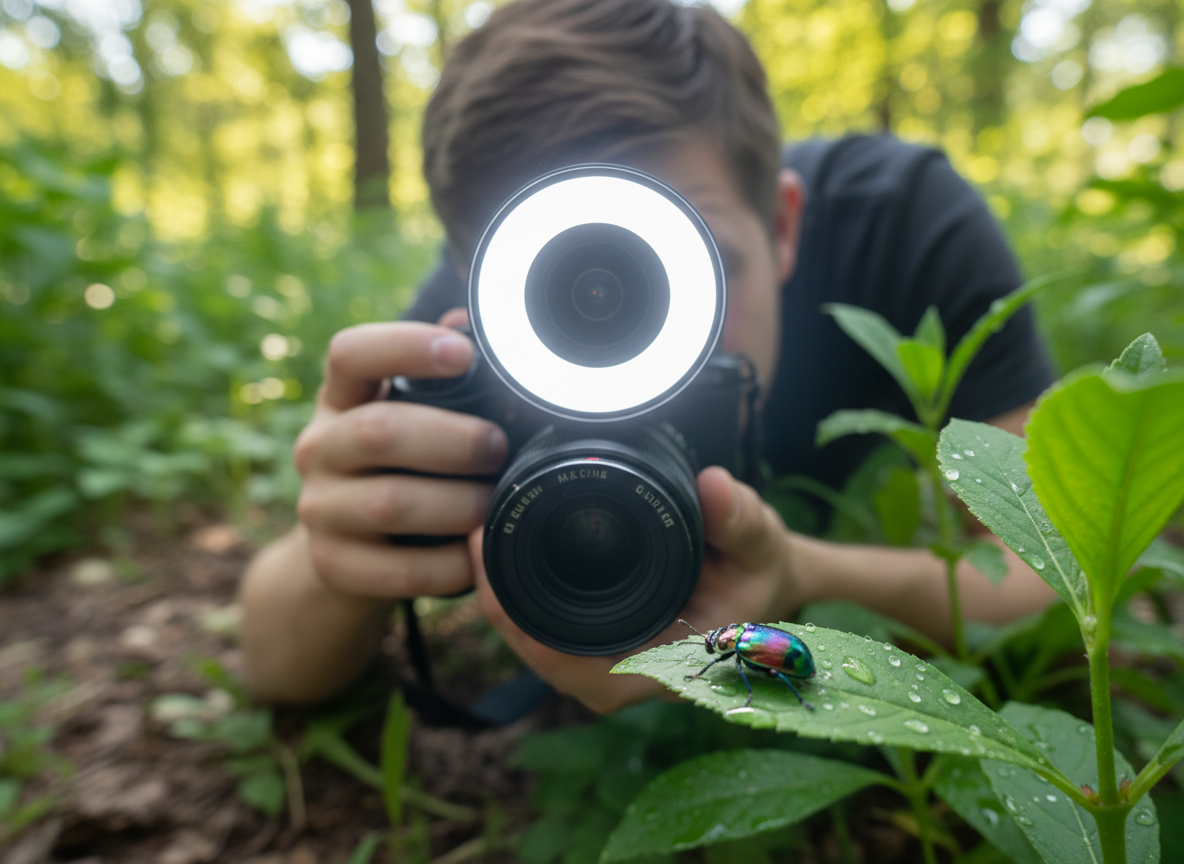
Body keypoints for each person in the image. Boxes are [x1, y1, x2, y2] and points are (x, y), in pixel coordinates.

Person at [239, 0, 1059, 712]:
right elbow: (277, 664)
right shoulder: (455, 343)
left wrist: (799, 576)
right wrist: (348, 541)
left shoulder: (899, 221)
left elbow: (1055, 580)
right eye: (553, 289)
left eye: (690, 267)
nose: (627, 365)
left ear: (782, 224)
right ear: (475, 276)